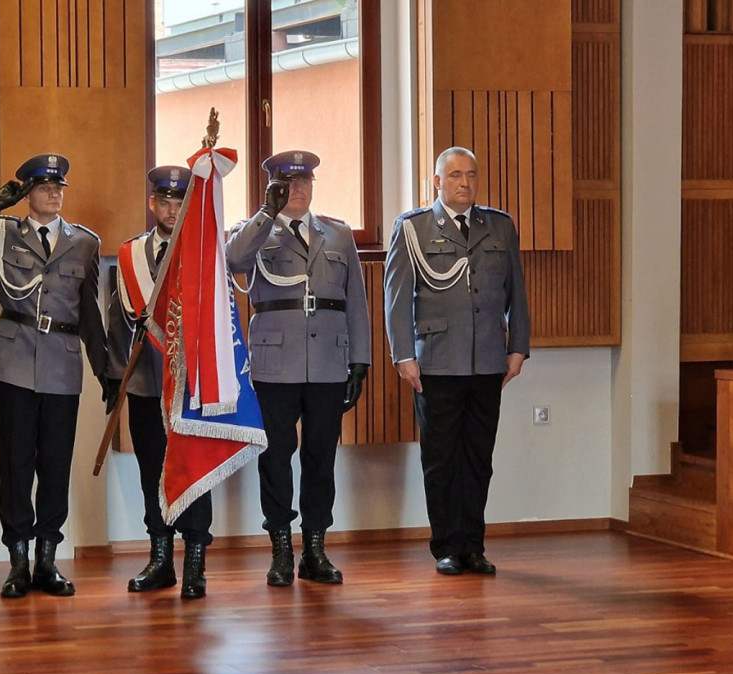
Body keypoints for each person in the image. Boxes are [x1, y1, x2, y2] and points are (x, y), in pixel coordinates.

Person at [0, 153, 111, 598]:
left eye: (59, 187)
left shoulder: (84, 243)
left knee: (55, 465)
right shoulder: (0, 236)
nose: (54, 193)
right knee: (16, 464)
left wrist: (104, 369)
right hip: (14, 361)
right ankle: (16, 562)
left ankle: (47, 560)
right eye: (44, 187)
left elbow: (90, 313)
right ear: (27, 194)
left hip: (63, 363)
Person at [225, 150, 371, 587]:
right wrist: (266, 212)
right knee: (275, 458)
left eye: (306, 182)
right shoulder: (253, 231)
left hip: (328, 359)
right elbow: (233, 262)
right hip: (275, 364)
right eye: (290, 184)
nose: (301, 190)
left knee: (321, 457)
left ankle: (315, 547)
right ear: (274, 188)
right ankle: (280, 548)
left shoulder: (338, 234)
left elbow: (356, 304)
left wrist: (359, 360)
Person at [384, 146, 530, 576]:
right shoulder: (413, 228)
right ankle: (446, 545)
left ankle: (473, 545)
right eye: (454, 176)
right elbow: (396, 300)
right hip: (437, 362)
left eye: (470, 175)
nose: (464, 183)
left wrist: (518, 346)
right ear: (436, 182)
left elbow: (515, 291)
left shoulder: (499, 227)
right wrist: (403, 356)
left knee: (478, 458)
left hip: (487, 360)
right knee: (441, 458)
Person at [106, 165, 213, 600]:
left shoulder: (202, 251)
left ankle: (196, 559)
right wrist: (115, 378)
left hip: (190, 385)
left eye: (178, 202)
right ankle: (161, 556)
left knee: (194, 470)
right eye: (164, 201)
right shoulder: (131, 255)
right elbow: (117, 320)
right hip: (147, 384)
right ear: (153, 204)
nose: (171, 209)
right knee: (153, 470)